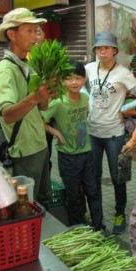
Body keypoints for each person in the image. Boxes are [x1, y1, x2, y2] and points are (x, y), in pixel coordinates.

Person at [0, 7, 55, 207]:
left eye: (36, 31)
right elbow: (8, 115)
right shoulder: (5, 69)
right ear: (12, 34)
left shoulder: (26, 65)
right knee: (28, 206)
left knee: (43, 200)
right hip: (25, 151)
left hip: (39, 144)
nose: (35, 36)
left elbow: (41, 108)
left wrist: (45, 94)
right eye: (29, 31)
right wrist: (35, 97)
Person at [86, 31, 136, 234]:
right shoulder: (88, 69)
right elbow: (76, 86)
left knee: (119, 176)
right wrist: (86, 97)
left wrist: (124, 109)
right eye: (98, 48)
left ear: (114, 51)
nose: (102, 51)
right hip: (92, 133)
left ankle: (120, 214)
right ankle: (97, 217)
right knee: (93, 177)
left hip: (115, 134)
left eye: (106, 48)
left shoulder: (123, 73)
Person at [42, 61, 105, 231]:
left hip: (87, 154)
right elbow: (40, 121)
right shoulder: (58, 102)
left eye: (78, 78)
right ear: (62, 81)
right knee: (74, 196)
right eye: (69, 78)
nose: (74, 82)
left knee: (93, 191)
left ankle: (99, 227)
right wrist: (56, 133)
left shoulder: (85, 98)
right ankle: (78, 229)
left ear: (84, 79)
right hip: (68, 157)